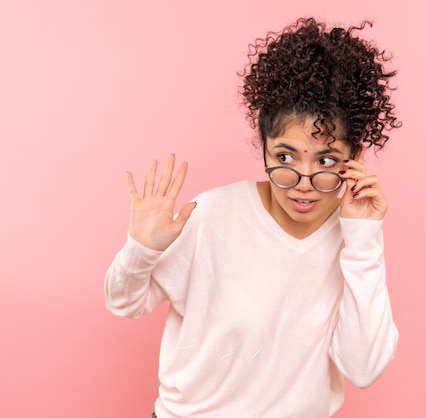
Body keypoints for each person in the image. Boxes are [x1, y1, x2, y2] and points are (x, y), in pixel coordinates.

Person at [105, 17, 400, 418]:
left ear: (355, 160)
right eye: (284, 157)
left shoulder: (353, 242)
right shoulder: (212, 216)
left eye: (326, 161)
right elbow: (124, 303)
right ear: (263, 147)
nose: (303, 183)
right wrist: (140, 250)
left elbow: (363, 369)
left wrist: (364, 237)